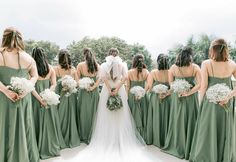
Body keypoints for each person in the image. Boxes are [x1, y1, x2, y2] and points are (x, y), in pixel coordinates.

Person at [68, 48, 159, 162]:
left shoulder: (104, 65)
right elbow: (125, 78)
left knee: (105, 112)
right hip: (118, 88)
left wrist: (110, 89)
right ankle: (119, 138)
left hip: (108, 89)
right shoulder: (122, 64)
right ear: (118, 55)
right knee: (120, 113)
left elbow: (103, 78)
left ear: (108, 54)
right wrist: (117, 88)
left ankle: (106, 138)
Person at [190, 39, 236, 162]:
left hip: (210, 102)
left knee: (207, 130)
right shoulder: (232, 64)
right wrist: (228, 97)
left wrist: (201, 103)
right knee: (224, 129)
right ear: (226, 49)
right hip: (227, 103)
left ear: (213, 50)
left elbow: (204, 85)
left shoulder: (206, 63)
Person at [0, 27, 39, 162]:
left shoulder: (0, 54)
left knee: (3, 126)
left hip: (3, 98)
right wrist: (26, 90)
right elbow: (35, 76)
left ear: (4, 38)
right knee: (24, 126)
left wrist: (6, 91)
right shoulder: (28, 58)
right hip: (23, 98)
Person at [162, 47, 201, 160]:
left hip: (177, 96)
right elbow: (200, 84)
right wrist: (188, 93)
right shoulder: (195, 67)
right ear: (190, 57)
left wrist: (179, 90)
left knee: (177, 119)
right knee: (190, 119)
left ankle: (177, 145)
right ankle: (190, 147)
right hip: (190, 97)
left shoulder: (173, 68)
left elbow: (171, 83)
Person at [31, 47, 66, 159]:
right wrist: (47, 96)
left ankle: (36, 146)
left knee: (35, 120)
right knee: (49, 121)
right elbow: (54, 84)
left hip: (35, 98)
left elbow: (31, 87)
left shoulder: (31, 69)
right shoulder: (50, 68)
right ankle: (51, 145)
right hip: (48, 99)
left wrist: (40, 99)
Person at [54, 49, 80, 148]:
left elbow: (53, 84)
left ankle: (60, 138)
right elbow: (77, 83)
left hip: (60, 95)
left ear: (59, 58)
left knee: (60, 115)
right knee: (71, 115)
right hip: (71, 95)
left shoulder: (55, 69)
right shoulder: (72, 69)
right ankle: (71, 137)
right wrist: (70, 85)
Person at [146, 54, 171, 148]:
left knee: (155, 116)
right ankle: (165, 139)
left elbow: (150, 87)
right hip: (168, 98)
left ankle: (155, 139)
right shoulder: (170, 72)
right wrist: (165, 93)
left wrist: (158, 91)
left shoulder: (153, 72)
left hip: (155, 98)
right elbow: (172, 88)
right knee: (166, 117)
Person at [77, 48, 100, 144]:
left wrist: (84, 85)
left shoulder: (80, 65)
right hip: (94, 92)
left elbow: (77, 79)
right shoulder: (97, 65)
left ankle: (84, 135)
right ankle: (94, 135)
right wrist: (93, 87)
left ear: (84, 55)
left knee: (83, 113)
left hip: (83, 92)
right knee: (93, 113)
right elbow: (99, 79)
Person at [127, 54, 149, 140]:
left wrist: (127, 97)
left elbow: (128, 87)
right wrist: (142, 92)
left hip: (132, 96)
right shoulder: (146, 72)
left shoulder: (129, 72)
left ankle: (134, 136)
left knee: (133, 115)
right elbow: (149, 85)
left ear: (134, 61)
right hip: (143, 96)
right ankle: (144, 135)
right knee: (144, 115)